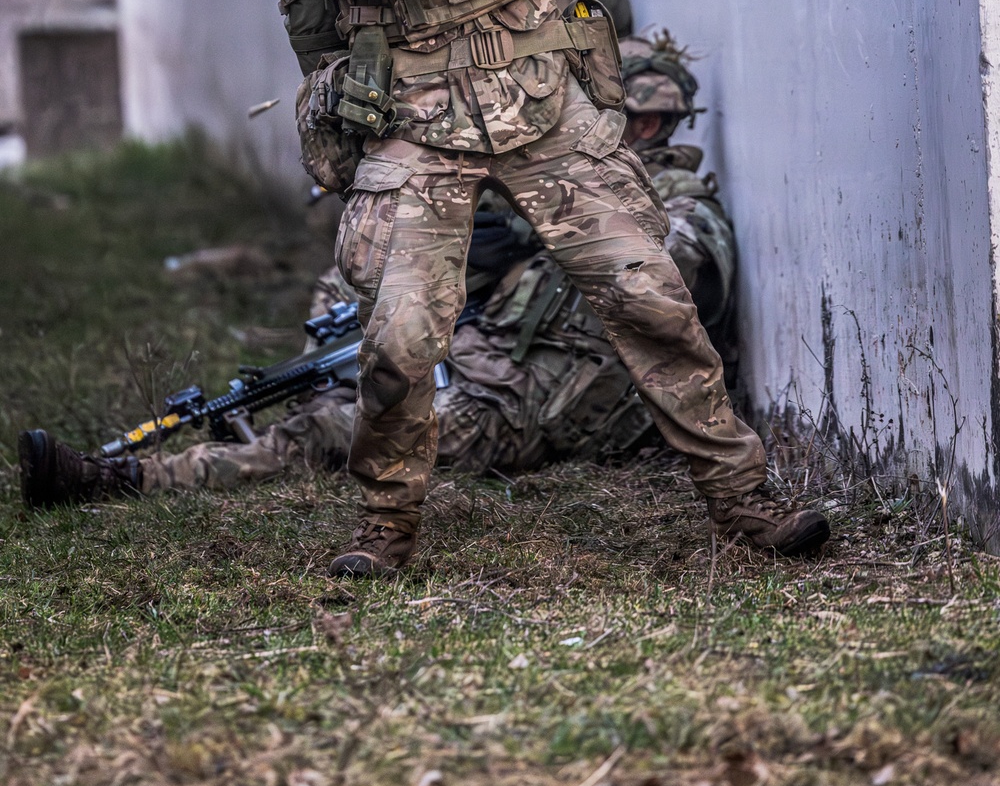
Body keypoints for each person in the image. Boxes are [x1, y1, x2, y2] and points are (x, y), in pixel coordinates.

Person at [246, 0, 828, 574]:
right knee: (400, 336)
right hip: (412, 110)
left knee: (650, 294)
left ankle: (746, 500)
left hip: (540, 94)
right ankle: (386, 528)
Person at [18, 33, 740, 507]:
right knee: (358, 317)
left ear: (662, 126)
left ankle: (124, 478)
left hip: (538, 404)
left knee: (340, 431)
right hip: (485, 363)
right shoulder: (567, 177)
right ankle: (296, 413)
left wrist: (555, 222)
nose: (626, 129)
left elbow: (680, 267)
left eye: (644, 120)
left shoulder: (678, 200)